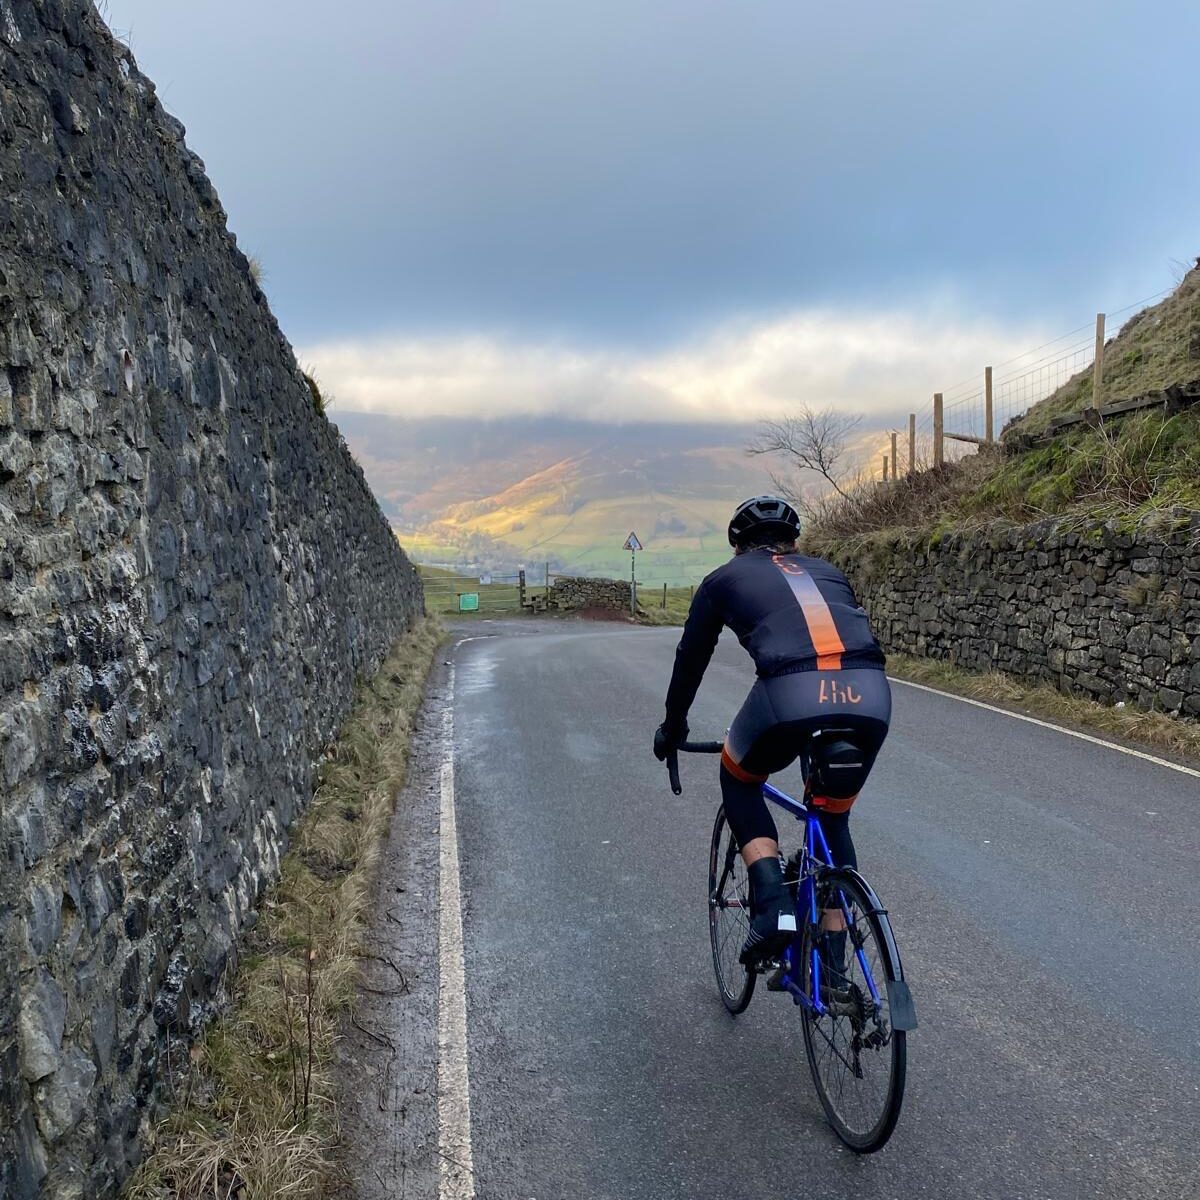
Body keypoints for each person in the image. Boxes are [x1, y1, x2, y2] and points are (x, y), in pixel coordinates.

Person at [653, 495, 891, 970]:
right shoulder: (828, 570)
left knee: (738, 777)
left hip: (790, 694)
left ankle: (773, 908)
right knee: (831, 817)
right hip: (870, 694)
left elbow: (691, 659)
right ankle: (835, 966)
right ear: (794, 542)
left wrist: (673, 726)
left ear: (736, 546)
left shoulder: (722, 580)